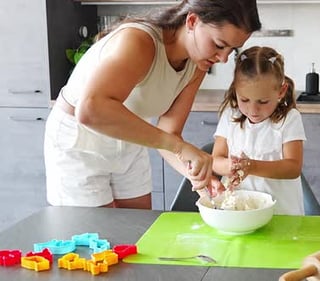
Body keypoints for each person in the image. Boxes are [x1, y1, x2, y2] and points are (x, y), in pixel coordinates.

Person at [44, 0, 261, 209]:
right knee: (96, 238)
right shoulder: (139, 41)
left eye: (232, 50)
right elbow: (91, 109)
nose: (223, 58)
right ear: (192, 21)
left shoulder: (198, 64)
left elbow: (168, 133)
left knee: (137, 232)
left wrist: (199, 175)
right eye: (219, 45)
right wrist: (181, 148)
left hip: (130, 139)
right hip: (80, 142)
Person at [212, 46, 306, 215]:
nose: (253, 110)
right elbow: (215, 160)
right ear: (236, 90)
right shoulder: (229, 117)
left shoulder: (289, 119)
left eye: (263, 101)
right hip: (237, 212)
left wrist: (252, 166)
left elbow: (293, 168)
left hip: (281, 213)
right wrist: (229, 166)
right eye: (244, 100)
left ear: (281, 91)